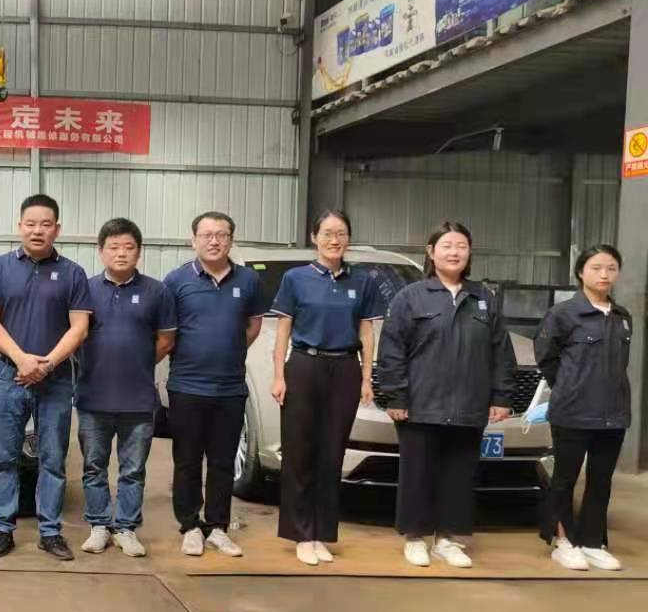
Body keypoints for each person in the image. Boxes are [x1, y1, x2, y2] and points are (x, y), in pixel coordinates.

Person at [377, 221, 513, 568]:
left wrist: (501, 396)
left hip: (469, 402)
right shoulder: (411, 297)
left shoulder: (484, 298)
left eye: (461, 246)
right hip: (421, 403)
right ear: (431, 252)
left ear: (470, 253)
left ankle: (448, 539)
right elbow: (392, 349)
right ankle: (415, 537)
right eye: (447, 246)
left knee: (459, 473)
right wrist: (396, 396)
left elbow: (501, 350)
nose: (454, 252)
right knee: (417, 473)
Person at [269, 209, 385, 566]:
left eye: (341, 233)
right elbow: (283, 330)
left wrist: (366, 377)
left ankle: (321, 533)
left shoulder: (362, 281)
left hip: (345, 367)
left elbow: (367, 332)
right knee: (299, 452)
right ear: (314, 237)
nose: (334, 240)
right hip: (304, 365)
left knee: (332, 454)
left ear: (348, 238)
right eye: (327, 233)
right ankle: (301, 534)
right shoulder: (295, 278)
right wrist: (279, 375)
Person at [0, 193, 91, 561]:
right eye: (30, 224)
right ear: (20, 226)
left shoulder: (73, 273)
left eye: (45, 224)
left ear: (57, 229)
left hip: (55, 378)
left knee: (52, 457)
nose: (37, 230)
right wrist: (21, 360)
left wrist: (47, 364)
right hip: (7, 374)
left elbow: (80, 327)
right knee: (3, 456)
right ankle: (3, 528)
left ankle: (50, 531)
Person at [162, 211, 269, 558]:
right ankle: (190, 526)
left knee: (222, 462)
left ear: (230, 240)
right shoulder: (176, 280)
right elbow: (167, 331)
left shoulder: (248, 280)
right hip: (187, 386)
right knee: (187, 461)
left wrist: (229, 350)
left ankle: (218, 527)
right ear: (193, 240)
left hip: (230, 388)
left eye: (221, 234)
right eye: (207, 234)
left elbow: (253, 325)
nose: (214, 241)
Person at [76, 219, 174, 558]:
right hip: (93, 396)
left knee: (133, 470)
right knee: (94, 466)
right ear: (101, 251)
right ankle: (99, 526)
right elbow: (73, 336)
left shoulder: (157, 291)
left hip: (138, 398)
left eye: (128, 247)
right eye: (114, 247)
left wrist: (138, 362)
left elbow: (166, 339)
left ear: (139, 252)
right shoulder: (85, 289)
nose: (121, 253)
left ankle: (126, 528)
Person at [534, 244, 631, 572]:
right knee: (565, 478)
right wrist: (570, 387)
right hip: (572, 411)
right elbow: (546, 357)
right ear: (580, 272)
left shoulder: (622, 317)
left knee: (601, 480)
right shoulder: (562, 314)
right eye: (596, 268)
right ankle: (563, 541)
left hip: (613, 412)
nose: (604, 275)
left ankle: (592, 542)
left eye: (611, 268)